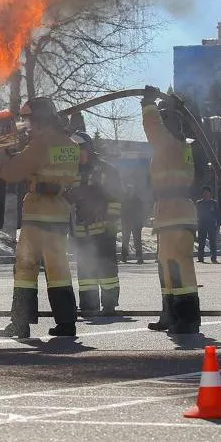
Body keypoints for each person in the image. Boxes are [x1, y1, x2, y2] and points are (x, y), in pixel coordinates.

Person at [0, 97, 88, 338]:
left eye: (28, 119)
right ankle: (66, 324)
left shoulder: (40, 144)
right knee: (58, 270)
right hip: (58, 215)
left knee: (25, 268)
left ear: (39, 120)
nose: (26, 124)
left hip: (37, 215)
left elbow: (12, 173)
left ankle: (20, 324)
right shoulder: (70, 145)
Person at [140, 87, 201, 334]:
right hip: (170, 214)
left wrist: (147, 105)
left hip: (176, 214)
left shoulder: (171, 146)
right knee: (167, 265)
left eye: (166, 120)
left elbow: (153, 128)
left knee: (179, 265)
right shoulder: (176, 147)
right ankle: (170, 315)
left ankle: (186, 318)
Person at [70, 136, 123, 317]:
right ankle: (88, 304)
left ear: (89, 149)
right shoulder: (71, 172)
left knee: (106, 266)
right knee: (85, 268)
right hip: (81, 230)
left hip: (103, 229)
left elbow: (116, 198)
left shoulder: (106, 170)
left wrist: (109, 218)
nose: (78, 155)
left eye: (80, 150)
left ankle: (109, 304)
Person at [196, 186, 221, 264]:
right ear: (202, 194)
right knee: (201, 242)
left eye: (207, 193)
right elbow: (196, 213)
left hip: (211, 225)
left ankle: (213, 258)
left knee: (213, 242)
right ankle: (200, 258)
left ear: (210, 194)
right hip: (202, 224)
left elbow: (218, 214)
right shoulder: (199, 203)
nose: (206, 195)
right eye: (204, 193)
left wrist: (218, 225)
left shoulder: (214, 203)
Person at [120, 184, 145, 264]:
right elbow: (122, 211)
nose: (129, 191)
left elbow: (141, 212)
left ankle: (139, 257)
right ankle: (124, 256)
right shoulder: (124, 200)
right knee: (125, 240)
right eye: (128, 190)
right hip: (127, 222)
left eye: (130, 190)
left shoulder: (137, 200)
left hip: (135, 223)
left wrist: (141, 222)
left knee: (137, 240)